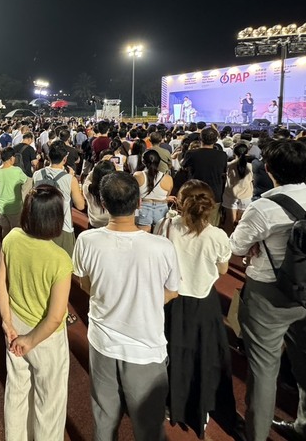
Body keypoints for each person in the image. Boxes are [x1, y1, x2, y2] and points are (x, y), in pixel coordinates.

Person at [230, 140, 306, 441]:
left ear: (270, 169)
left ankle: (256, 435)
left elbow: (236, 246)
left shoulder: (264, 206)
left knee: (264, 368)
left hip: (269, 292)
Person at [72, 172, 180, 441]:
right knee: (149, 426)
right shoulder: (162, 247)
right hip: (145, 347)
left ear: (103, 204)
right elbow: (172, 291)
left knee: (104, 418)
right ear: (139, 203)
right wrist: (145, 302)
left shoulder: (87, 241)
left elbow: (84, 283)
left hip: (103, 343)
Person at [156, 180, 238, 438]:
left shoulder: (166, 226)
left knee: (170, 351)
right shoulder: (217, 236)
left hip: (171, 300)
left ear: (179, 203)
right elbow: (224, 269)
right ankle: (200, 409)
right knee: (204, 355)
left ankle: (170, 404)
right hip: (204, 302)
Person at [0, 184, 72, 441]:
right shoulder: (60, 259)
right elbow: (54, 317)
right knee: (48, 406)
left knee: (16, 393)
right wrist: (30, 340)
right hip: (46, 339)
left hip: (15, 326)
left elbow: (0, 281)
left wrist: (7, 322)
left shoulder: (12, 238)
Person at [31, 141, 85, 256]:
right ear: (65, 159)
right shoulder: (70, 179)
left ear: (48, 156)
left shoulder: (37, 174)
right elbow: (80, 205)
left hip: (41, 222)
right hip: (62, 226)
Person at [182, 127, 227, 225]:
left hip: (195, 192)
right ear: (216, 140)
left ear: (200, 138)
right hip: (215, 193)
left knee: (192, 224)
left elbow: (183, 166)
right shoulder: (222, 155)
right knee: (212, 225)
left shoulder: (191, 154)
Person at [0, 146, 30, 239]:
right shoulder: (17, 171)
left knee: (5, 230)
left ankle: (5, 248)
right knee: (16, 231)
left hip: (1, 207)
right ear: (11, 158)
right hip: (15, 207)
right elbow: (26, 180)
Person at [133, 150, 173, 232]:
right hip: (161, 209)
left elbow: (134, 194)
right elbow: (167, 195)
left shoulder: (138, 175)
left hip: (143, 208)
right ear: (159, 162)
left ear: (143, 162)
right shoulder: (168, 178)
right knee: (159, 236)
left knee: (143, 238)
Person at [223, 142, 254, 234]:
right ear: (247, 152)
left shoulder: (228, 166)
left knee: (229, 222)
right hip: (246, 195)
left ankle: (228, 243)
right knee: (242, 223)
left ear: (234, 153)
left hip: (230, 195)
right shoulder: (251, 167)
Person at [82, 160, 115, 228]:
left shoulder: (88, 189)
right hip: (111, 225)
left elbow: (88, 178)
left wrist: (96, 167)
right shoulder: (116, 190)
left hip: (94, 224)